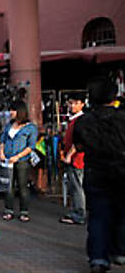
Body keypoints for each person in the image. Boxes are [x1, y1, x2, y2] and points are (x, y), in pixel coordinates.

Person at [72, 76, 125, 273]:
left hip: (96, 172)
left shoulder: (84, 121)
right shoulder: (122, 118)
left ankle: (98, 259)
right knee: (121, 212)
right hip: (121, 172)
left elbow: (79, 146)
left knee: (98, 216)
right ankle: (119, 250)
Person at [0, 101, 38, 222]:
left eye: (13, 110)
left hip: (22, 161)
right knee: (8, 186)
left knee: (22, 186)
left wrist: (18, 156)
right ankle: (8, 210)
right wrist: (1, 152)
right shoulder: (9, 125)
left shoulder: (30, 128)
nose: (11, 113)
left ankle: (24, 211)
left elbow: (31, 146)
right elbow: (3, 139)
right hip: (8, 160)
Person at [60, 94, 86, 225]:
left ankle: (79, 213)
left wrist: (70, 155)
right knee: (75, 186)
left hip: (77, 159)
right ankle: (77, 210)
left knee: (77, 187)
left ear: (82, 104)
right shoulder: (73, 120)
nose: (72, 106)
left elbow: (79, 142)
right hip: (72, 157)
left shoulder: (81, 120)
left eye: (75, 103)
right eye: (70, 103)